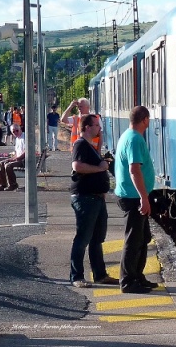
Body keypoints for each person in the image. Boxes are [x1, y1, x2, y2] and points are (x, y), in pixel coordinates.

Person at [69, 114, 119, 288]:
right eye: (96, 125)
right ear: (88, 127)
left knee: (97, 239)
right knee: (82, 238)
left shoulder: (90, 146)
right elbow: (77, 166)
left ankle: (100, 275)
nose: (99, 128)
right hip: (85, 198)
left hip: (96, 198)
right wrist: (99, 167)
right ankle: (77, 277)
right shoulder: (80, 144)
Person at [114, 106, 157, 294]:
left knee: (143, 237)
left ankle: (138, 276)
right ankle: (127, 281)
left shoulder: (128, 135)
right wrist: (144, 198)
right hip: (133, 197)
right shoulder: (134, 140)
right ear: (145, 120)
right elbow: (134, 170)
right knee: (133, 240)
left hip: (132, 195)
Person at [0, 124, 25, 191]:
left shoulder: (24, 137)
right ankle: (3, 184)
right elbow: (17, 153)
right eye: (13, 132)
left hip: (24, 160)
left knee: (8, 166)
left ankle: (13, 184)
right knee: (1, 163)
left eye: (17, 131)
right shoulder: (17, 139)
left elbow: (26, 151)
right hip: (18, 158)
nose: (15, 133)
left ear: (20, 129)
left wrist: (17, 159)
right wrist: (10, 159)